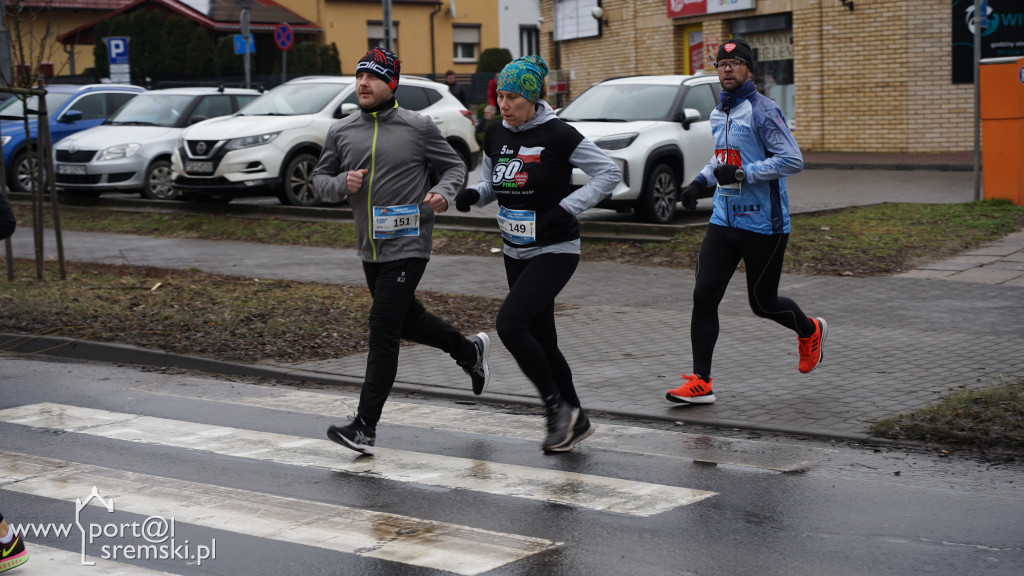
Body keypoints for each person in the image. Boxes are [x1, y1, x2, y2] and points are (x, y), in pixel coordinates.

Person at [313, 48, 490, 455]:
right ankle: (470, 351)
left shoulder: (418, 127)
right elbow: (319, 180)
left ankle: (364, 427)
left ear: (390, 84)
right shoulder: (341, 131)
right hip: (370, 249)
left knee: (382, 330)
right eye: (359, 77)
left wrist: (443, 193)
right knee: (408, 321)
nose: (363, 84)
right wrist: (343, 183)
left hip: (410, 243)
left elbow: (455, 167)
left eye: (372, 78)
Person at [453, 56, 621, 452]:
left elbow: (609, 173)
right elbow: (493, 181)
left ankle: (555, 411)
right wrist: (475, 194)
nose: (503, 104)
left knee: (511, 326)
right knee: (544, 340)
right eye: (500, 97)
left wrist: (567, 207)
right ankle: (576, 418)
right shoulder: (496, 133)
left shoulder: (560, 135)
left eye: (511, 97)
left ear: (531, 98)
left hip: (556, 248)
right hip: (515, 248)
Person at [666, 38, 826, 406]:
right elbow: (721, 159)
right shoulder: (718, 113)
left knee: (763, 303)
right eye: (722, 64)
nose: (727, 69)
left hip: (763, 225)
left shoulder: (763, 110)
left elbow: (792, 160)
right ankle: (701, 382)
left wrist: (741, 174)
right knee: (704, 295)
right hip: (723, 221)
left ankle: (809, 329)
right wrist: (700, 182)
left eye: (736, 63)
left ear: (749, 70)